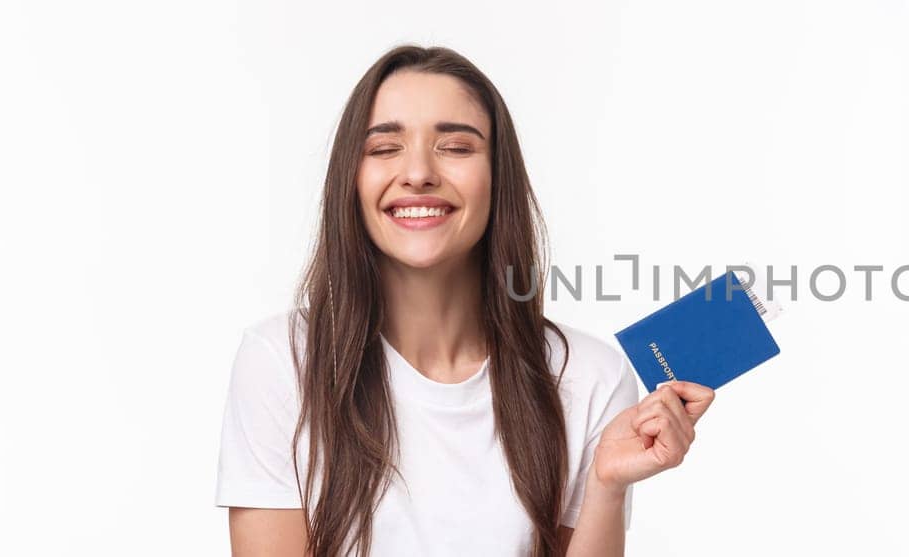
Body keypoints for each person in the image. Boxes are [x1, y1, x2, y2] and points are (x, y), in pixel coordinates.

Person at [214, 44, 713, 557]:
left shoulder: (589, 375)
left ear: (499, 178)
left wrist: (606, 488)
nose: (418, 173)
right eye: (384, 149)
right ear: (350, 179)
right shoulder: (280, 361)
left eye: (455, 146)